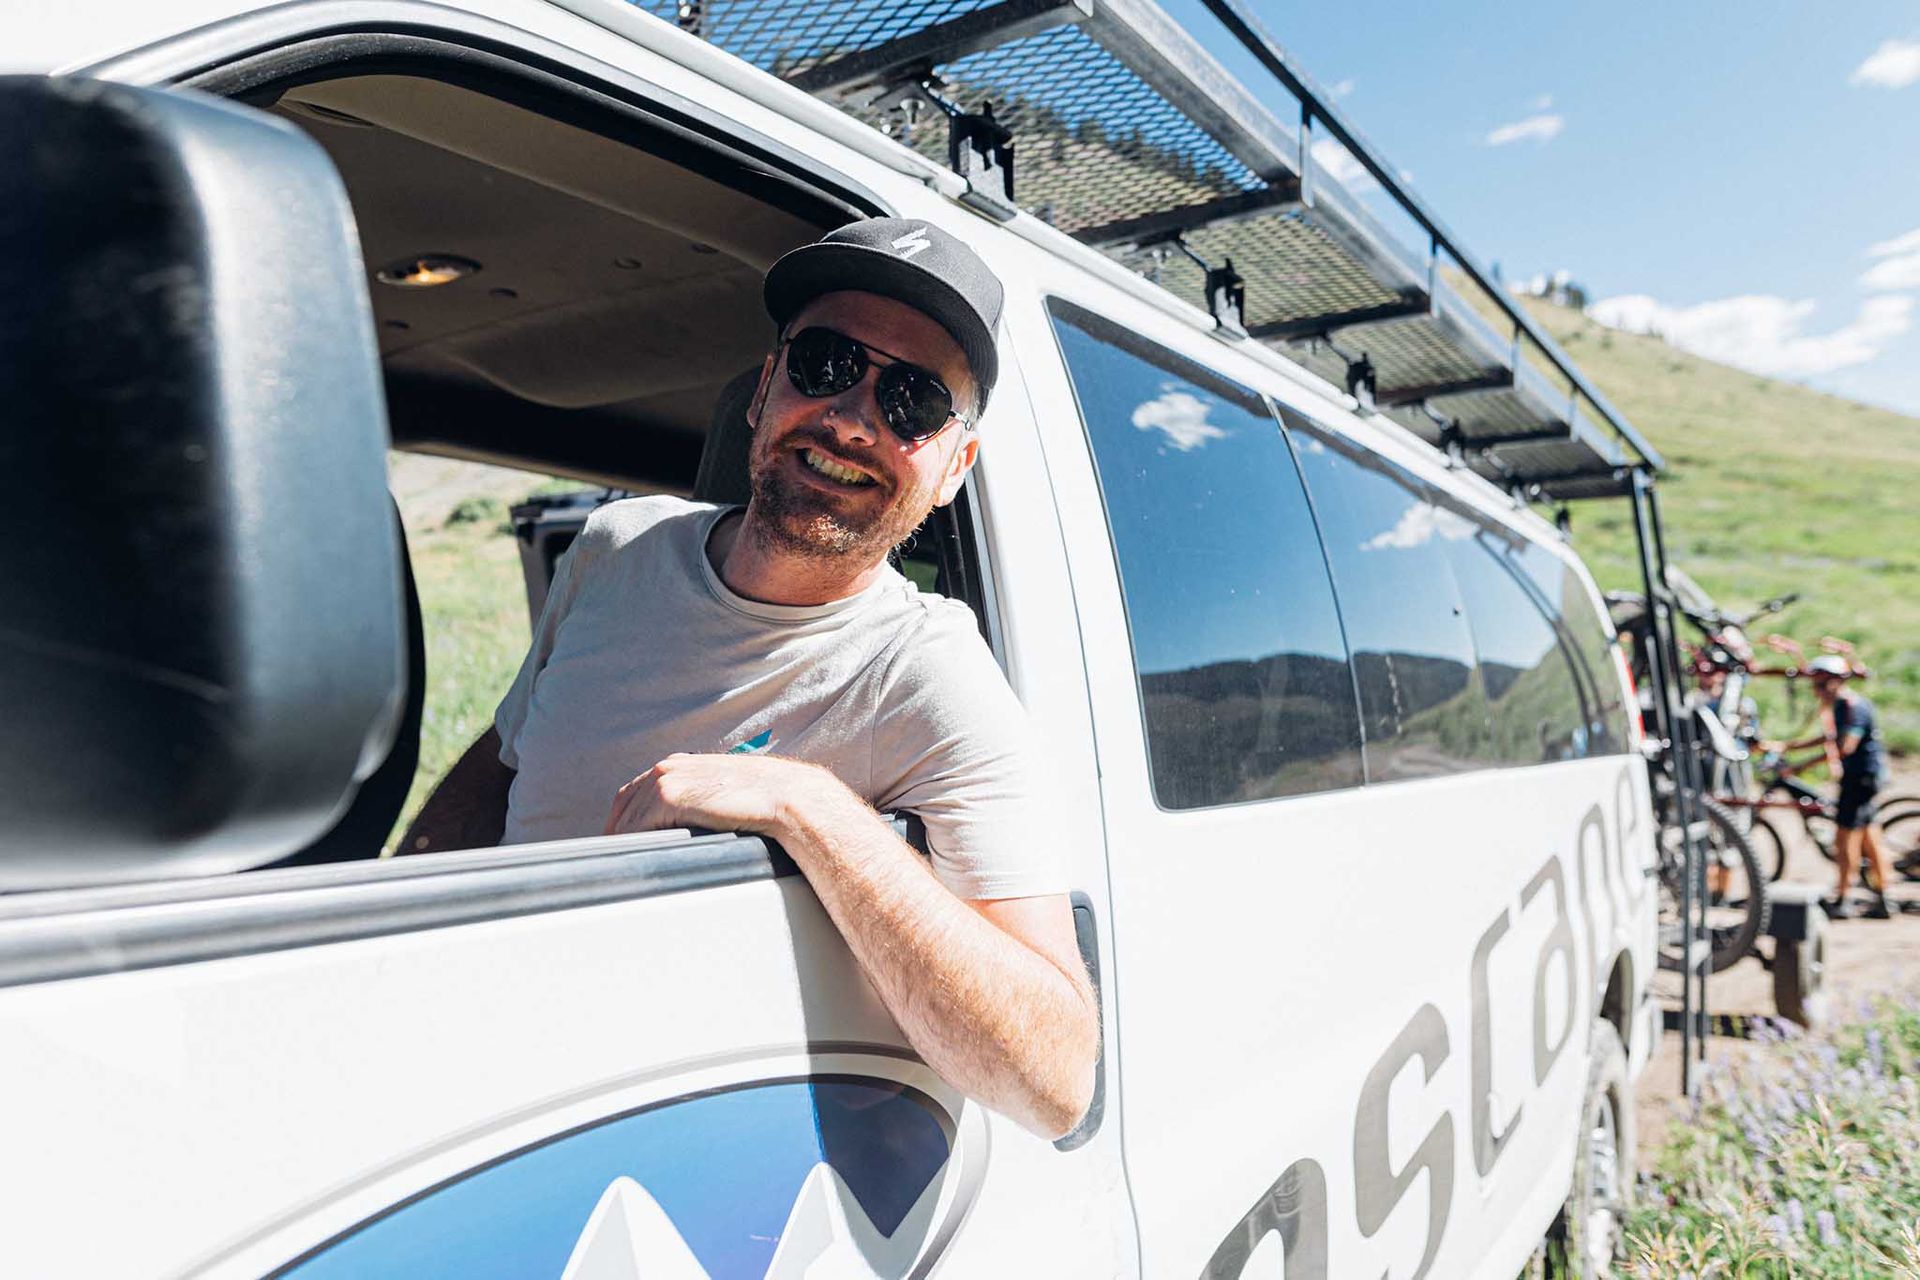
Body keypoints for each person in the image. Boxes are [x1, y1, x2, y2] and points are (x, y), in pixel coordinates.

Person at [402, 218, 1098, 1139]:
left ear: (953, 468)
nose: (852, 419)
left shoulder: (933, 680)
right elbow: (509, 755)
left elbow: (1054, 1082)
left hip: (649, 1134)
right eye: (823, 364)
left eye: (916, 403)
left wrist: (808, 810)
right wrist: (397, 932)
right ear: (766, 389)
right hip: (462, 1079)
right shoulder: (615, 548)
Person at [1770, 655, 1893, 919]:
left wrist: (1800, 767)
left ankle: (1844, 896)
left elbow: (1843, 747)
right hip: (1865, 777)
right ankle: (1884, 895)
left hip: (1860, 779)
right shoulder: (1842, 706)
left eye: (1822, 685)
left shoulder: (1852, 707)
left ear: (1837, 682)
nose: (1817, 692)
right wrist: (1790, 747)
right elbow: (1828, 738)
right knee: (1870, 836)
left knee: (1845, 837)